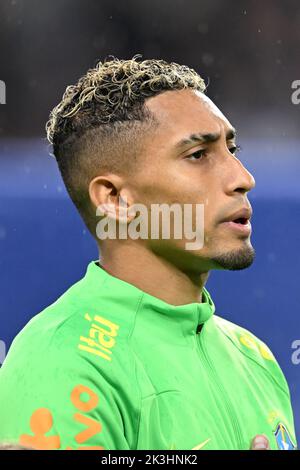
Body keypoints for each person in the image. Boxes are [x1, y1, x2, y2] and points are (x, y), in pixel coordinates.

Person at [0, 57, 296, 450]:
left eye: (231, 148)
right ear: (115, 198)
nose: (243, 178)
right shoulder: (62, 362)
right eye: (198, 155)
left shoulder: (255, 357)